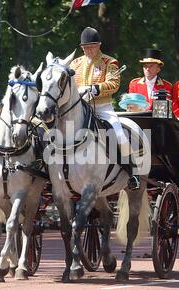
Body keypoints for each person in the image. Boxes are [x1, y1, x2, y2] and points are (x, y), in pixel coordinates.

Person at [69, 26, 141, 190]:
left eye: (92, 47)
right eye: (86, 48)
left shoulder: (109, 62)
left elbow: (114, 84)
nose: (89, 50)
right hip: (79, 106)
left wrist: (96, 88)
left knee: (119, 133)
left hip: (101, 106)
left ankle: (133, 173)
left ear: (99, 45)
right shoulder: (75, 63)